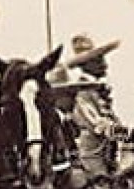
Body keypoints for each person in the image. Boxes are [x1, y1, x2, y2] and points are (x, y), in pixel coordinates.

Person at [47, 32, 123, 180]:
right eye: (99, 60)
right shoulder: (83, 94)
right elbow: (97, 126)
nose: (105, 65)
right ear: (87, 64)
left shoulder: (96, 92)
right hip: (92, 161)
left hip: (108, 157)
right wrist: (127, 134)